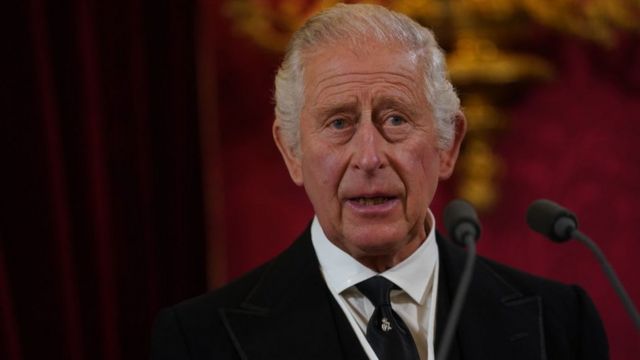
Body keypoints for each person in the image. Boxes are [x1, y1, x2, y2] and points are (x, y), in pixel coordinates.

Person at [151, 4, 608, 359]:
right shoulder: (199, 341)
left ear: (448, 144)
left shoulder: (561, 322)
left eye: (395, 119)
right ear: (291, 150)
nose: (369, 157)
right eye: (338, 123)